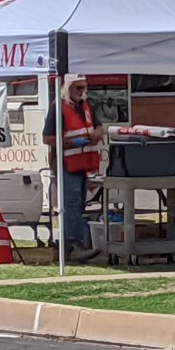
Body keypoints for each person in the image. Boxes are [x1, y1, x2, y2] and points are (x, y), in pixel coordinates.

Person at [43, 74, 104, 263]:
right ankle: (72, 245)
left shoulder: (85, 106)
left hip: (83, 164)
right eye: (78, 88)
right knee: (70, 205)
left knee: (79, 205)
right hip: (67, 164)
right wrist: (69, 143)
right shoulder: (58, 107)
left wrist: (97, 133)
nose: (83, 92)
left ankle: (75, 244)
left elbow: (99, 125)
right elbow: (47, 138)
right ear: (67, 87)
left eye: (85, 88)